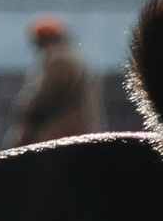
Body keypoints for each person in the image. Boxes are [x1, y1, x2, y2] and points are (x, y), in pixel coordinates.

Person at [12, 14, 100, 145]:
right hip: (75, 126)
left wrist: (24, 108)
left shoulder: (59, 59)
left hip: (60, 128)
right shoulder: (75, 55)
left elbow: (43, 95)